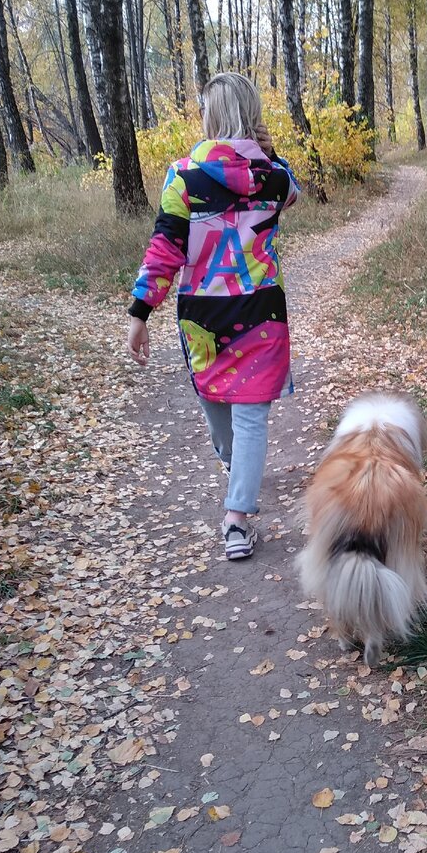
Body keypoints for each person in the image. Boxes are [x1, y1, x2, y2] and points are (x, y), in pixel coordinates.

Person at [127, 72, 300, 560]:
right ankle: (239, 495)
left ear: (210, 115)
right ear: (252, 114)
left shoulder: (183, 176)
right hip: (263, 310)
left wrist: (141, 310)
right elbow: (295, 192)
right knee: (242, 417)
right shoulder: (276, 175)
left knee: (226, 411)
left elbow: (165, 248)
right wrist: (270, 153)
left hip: (202, 316)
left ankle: (236, 514)